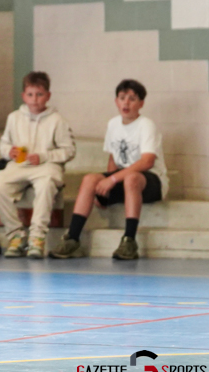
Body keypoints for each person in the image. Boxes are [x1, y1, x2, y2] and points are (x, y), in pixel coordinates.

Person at [50, 79, 168, 261]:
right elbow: (113, 158)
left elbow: (147, 162)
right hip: (124, 179)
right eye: (122, 98)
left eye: (132, 99)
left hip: (151, 181)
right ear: (116, 101)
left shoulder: (146, 125)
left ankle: (129, 240)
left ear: (141, 103)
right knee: (90, 179)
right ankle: (72, 238)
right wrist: (105, 191)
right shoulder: (113, 124)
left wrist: (112, 180)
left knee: (132, 178)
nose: (126, 103)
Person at [0, 71, 76, 259]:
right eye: (30, 94)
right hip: (19, 165)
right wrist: (8, 152)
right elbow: (4, 143)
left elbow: (69, 150)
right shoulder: (14, 117)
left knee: (46, 185)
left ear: (48, 96)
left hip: (46, 166)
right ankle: (16, 236)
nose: (35, 99)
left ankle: (37, 238)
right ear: (23, 96)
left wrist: (44, 156)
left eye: (39, 94)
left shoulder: (57, 120)